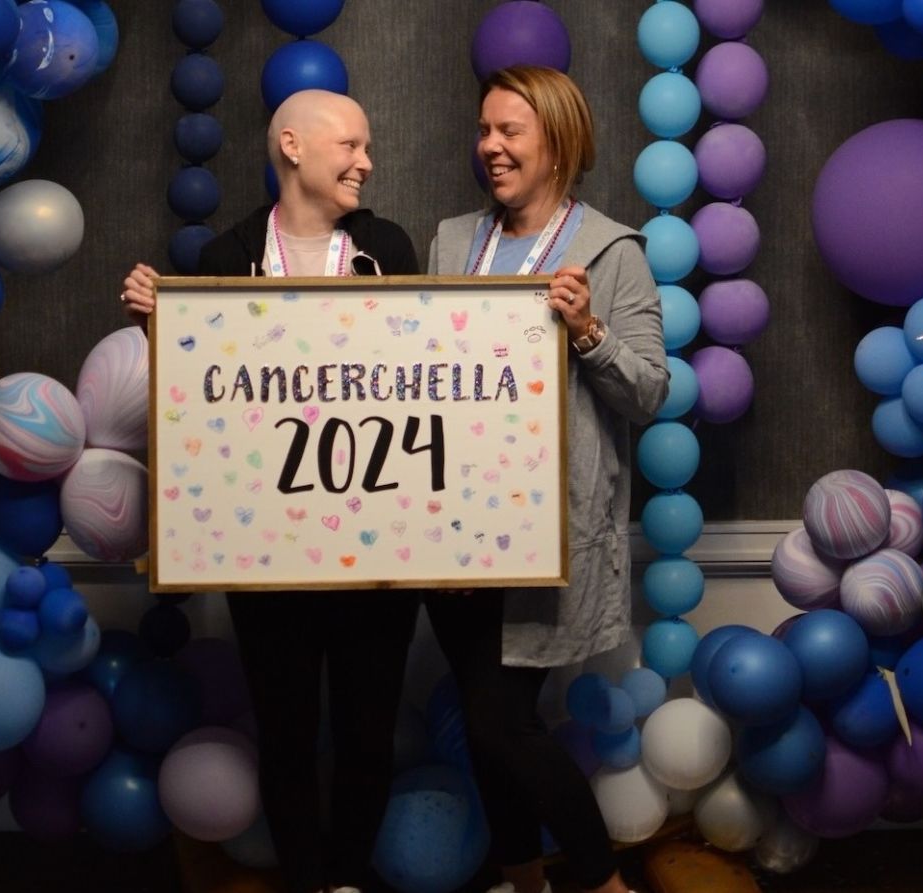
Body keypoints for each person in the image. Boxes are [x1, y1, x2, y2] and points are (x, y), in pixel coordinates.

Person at [120, 90, 420, 893]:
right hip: (266, 550)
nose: (366, 162)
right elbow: (203, 399)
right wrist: (163, 328)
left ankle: (347, 879)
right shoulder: (226, 255)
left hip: (378, 544)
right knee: (285, 732)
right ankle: (306, 881)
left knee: (366, 732)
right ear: (292, 145)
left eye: (366, 147)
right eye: (351, 145)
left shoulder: (388, 247)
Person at [425, 66, 668, 893]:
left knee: (502, 722)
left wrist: (588, 330)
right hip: (450, 527)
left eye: (510, 131)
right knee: (487, 724)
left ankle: (604, 885)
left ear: (558, 142)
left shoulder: (613, 250)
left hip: (543, 530)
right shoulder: (453, 242)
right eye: (484, 130)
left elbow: (650, 392)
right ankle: (524, 881)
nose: (489, 147)